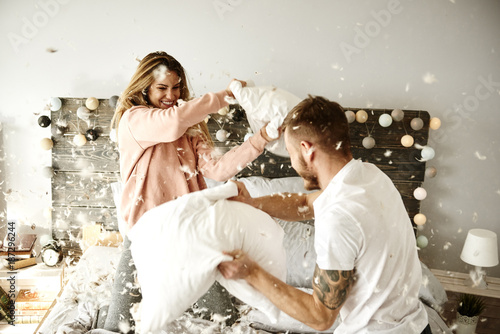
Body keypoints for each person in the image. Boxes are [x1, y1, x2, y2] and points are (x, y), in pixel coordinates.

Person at [218, 96, 432, 333]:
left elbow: (320, 317)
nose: (292, 162)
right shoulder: (370, 176)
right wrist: (252, 203)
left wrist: (252, 272)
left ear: (306, 149)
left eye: (290, 153)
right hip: (416, 326)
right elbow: (305, 203)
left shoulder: (338, 216)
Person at [104, 51, 275, 333]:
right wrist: (224, 96)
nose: (171, 94)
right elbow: (171, 122)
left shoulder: (188, 129)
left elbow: (219, 170)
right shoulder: (134, 120)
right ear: (145, 87)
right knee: (117, 326)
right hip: (145, 236)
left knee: (224, 321)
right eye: (162, 88)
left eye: (176, 87)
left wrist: (261, 139)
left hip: (188, 236)